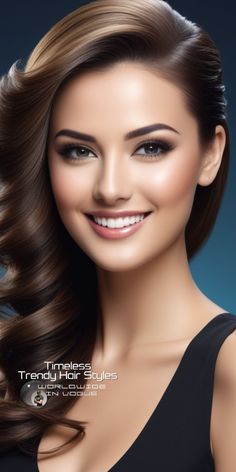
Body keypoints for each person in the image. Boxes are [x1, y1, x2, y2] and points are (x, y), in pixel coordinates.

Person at [0, 0, 235, 470]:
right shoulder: (17, 367)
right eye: (79, 151)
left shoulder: (228, 371)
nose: (110, 188)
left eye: (150, 147)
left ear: (210, 154)